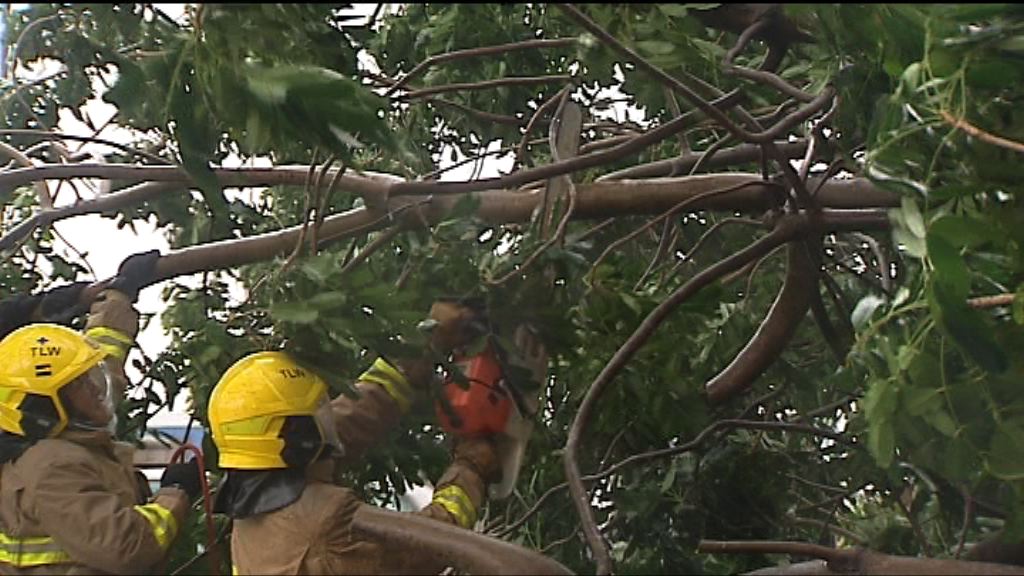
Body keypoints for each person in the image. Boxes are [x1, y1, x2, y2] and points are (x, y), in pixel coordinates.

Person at [209, 301, 546, 575]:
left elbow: (353, 416)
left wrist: (426, 343)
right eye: (318, 412)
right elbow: (436, 543)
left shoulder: (257, 494)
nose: (328, 420)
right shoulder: (327, 526)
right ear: (301, 440)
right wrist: (469, 469)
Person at [0, 253, 201, 574]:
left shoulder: (64, 424)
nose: (97, 389)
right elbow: (127, 547)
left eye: (91, 377)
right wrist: (174, 496)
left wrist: (121, 295)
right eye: (81, 385)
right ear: (46, 407)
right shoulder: (52, 467)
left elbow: (95, 368)